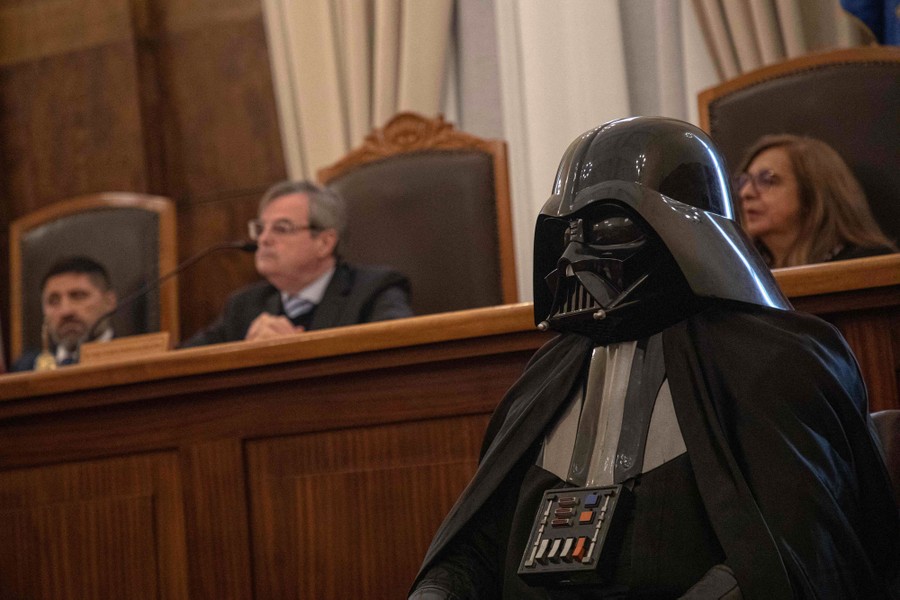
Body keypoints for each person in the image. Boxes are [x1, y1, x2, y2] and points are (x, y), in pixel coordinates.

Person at [409, 118, 899, 599]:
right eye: (566, 232)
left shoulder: (777, 359)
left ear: (686, 233)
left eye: (610, 225)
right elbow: (477, 545)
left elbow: (795, 555)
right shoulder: (544, 377)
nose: (573, 258)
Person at [182, 180, 412, 346]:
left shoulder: (374, 290)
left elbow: (399, 350)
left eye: (281, 228)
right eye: (261, 229)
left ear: (324, 242)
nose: (264, 239)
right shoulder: (244, 306)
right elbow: (183, 362)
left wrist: (298, 349)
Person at [736, 133, 896, 268]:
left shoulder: (870, 265)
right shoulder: (744, 271)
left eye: (768, 180)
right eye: (744, 181)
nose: (745, 193)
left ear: (813, 195)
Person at [12, 256, 118, 371]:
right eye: (53, 301)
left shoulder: (135, 355)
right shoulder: (25, 368)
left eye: (78, 296)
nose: (66, 311)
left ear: (109, 301)